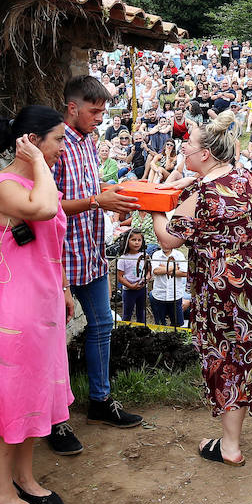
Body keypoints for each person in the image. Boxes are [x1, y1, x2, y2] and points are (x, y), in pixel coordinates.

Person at [152, 111, 252, 467]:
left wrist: (154, 207)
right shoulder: (249, 177)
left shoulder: (204, 193)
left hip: (227, 290)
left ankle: (231, 447)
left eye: (188, 147)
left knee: (228, 359)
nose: (184, 152)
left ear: (205, 154)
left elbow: (168, 239)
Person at [0, 106, 74, 504]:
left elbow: (53, 238)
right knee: (6, 400)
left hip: (43, 305)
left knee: (34, 393)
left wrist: (65, 289)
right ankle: (1, 498)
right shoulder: (2, 186)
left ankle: (25, 478)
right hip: (12, 310)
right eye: (58, 140)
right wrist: (35, 162)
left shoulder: (39, 181)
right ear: (33, 141)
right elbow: (46, 210)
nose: (63, 150)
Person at [50, 77, 143, 456]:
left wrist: (115, 193)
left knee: (103, 324)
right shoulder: (53, 146)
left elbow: (91, 191)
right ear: (72, 108)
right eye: (95, 110)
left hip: (90, 250)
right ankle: (54, 420)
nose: (101, 117)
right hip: (60, 257)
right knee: (53, 339)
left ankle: (100, 402)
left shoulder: (88, 140)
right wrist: (96, 202)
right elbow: (49, 206)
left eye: (104, 110)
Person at [116, 231, 152, 323]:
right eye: (133, 240)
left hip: (142, 289)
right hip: (129, 291)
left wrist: (146, 279)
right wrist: (131, 286)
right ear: (127, 241)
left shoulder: (145, 256)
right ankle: (125, 331)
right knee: (127, 313)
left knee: (141, 312)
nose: (137, 242)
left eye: (139, 240)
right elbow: (120, 277)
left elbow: (149, 271)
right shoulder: (123, 258)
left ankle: (142, 332)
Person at [150, 244, 186, 327]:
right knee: (159, 323)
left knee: (177, 324)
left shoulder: (179, 255)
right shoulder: (156, 254)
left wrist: (164, 269)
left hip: (175, 295)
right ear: (159, 241)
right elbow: (155, 271)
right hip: (159, 294)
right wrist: (174, 266)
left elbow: (184, 272)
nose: (165, 244)